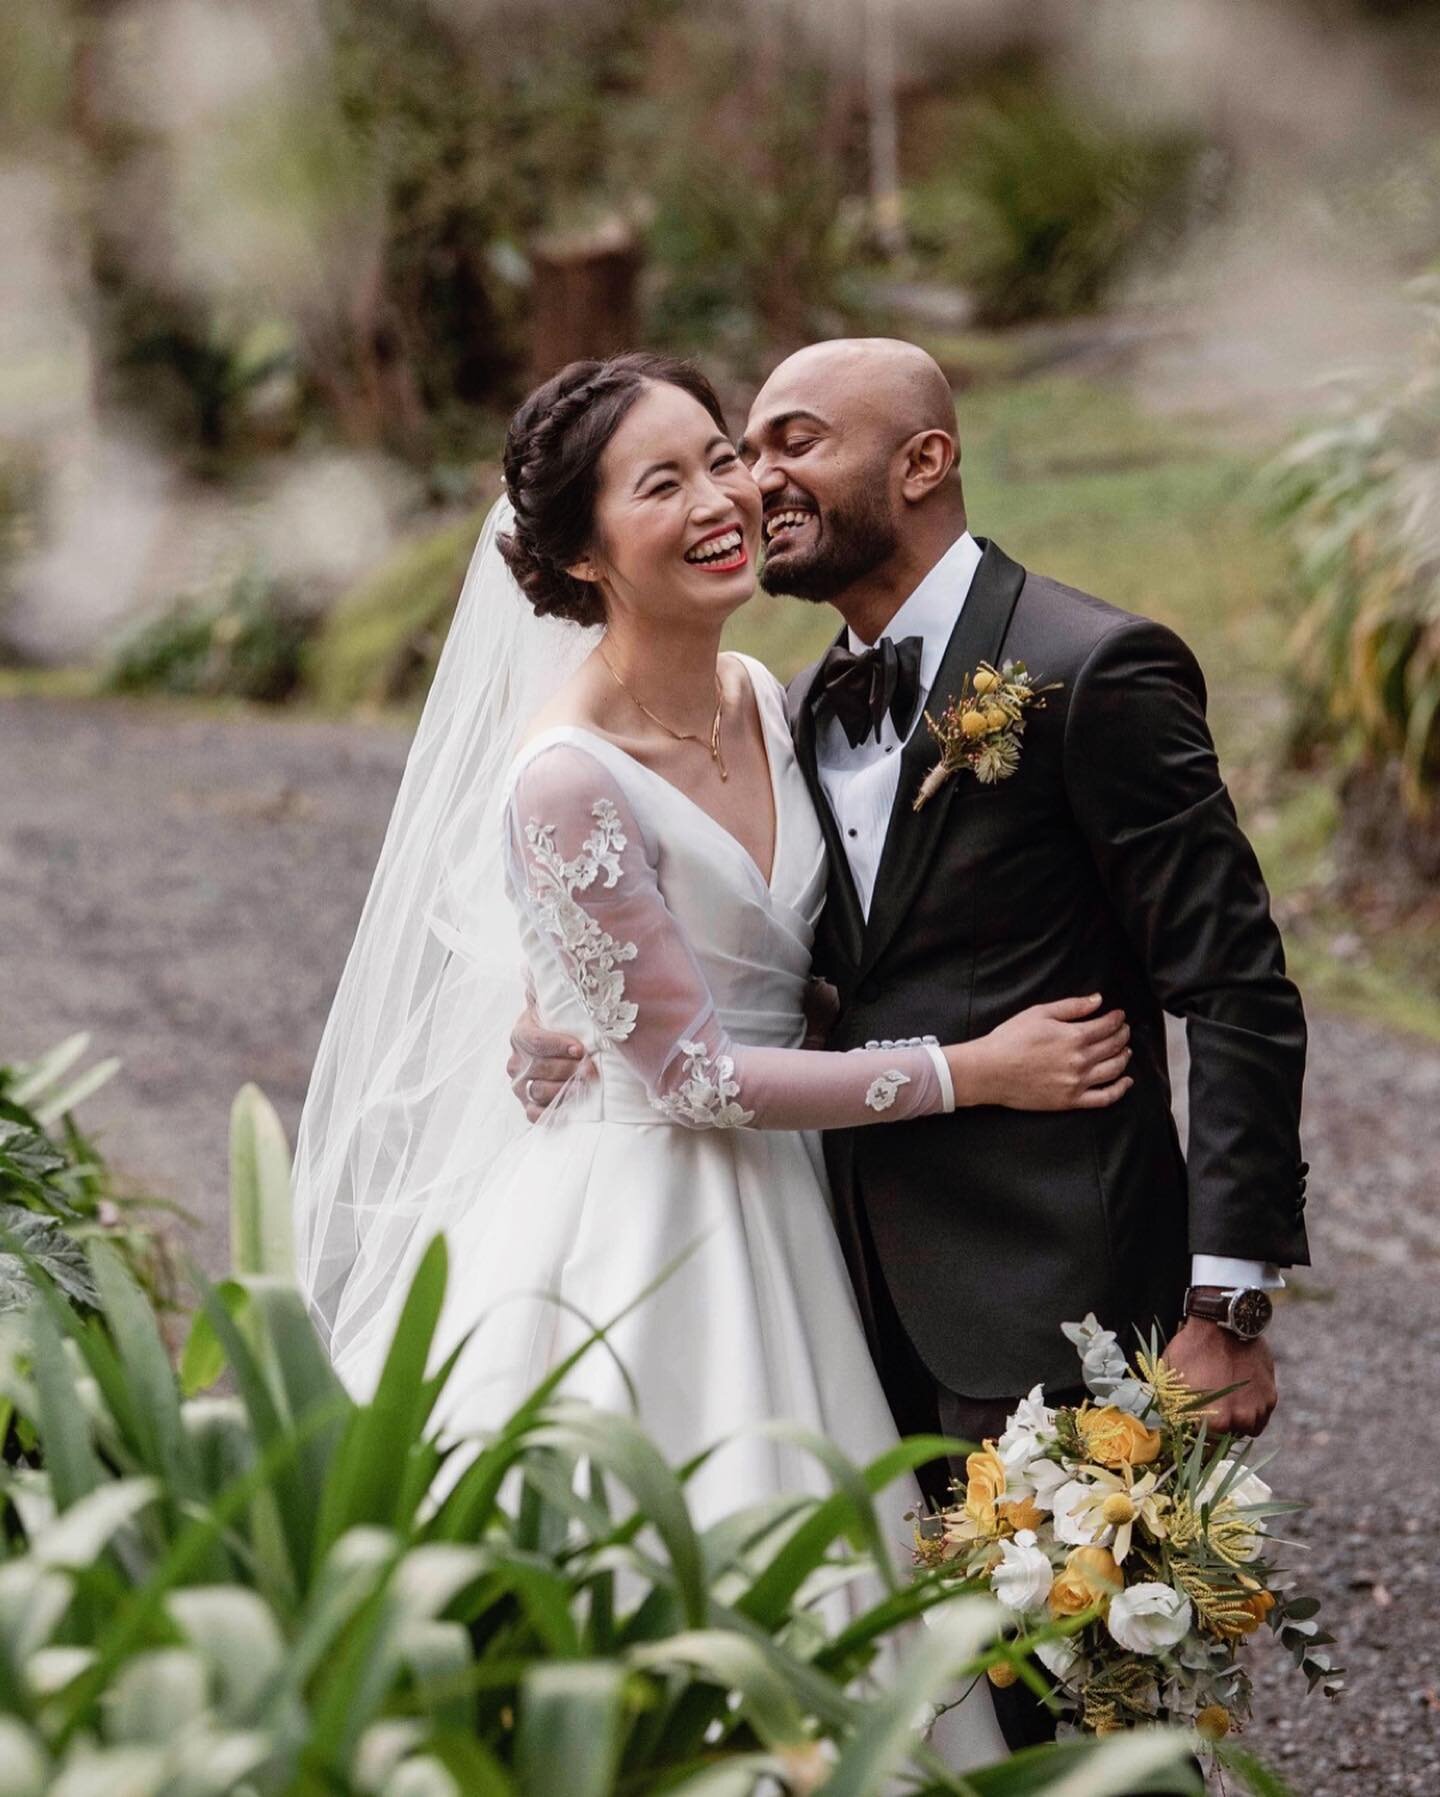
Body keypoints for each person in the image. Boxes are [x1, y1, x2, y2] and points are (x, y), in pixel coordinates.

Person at [294, 350, 1138, 1770]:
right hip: (653, 1220)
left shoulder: (762, 689)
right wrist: (973, 1068)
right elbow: (686, 1077)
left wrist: (546, 997)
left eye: (724, 457)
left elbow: (793, 955)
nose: (724, 498)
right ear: (573, 551)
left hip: (803, 1201)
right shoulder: (566, 771)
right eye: (663, 481)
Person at [511, 338, 1311, 1753]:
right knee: (908, 1708)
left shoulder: (1092, 668)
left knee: (1103, 1721)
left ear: (923, 461)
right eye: (728, 453)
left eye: (787, 443)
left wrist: (1227, 1299)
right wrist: (573, 1001)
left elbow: (1235, 983)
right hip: (835, 1293)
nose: (755, 483)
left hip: (1061, 1301)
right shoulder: (797, 699)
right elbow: (783, 964)